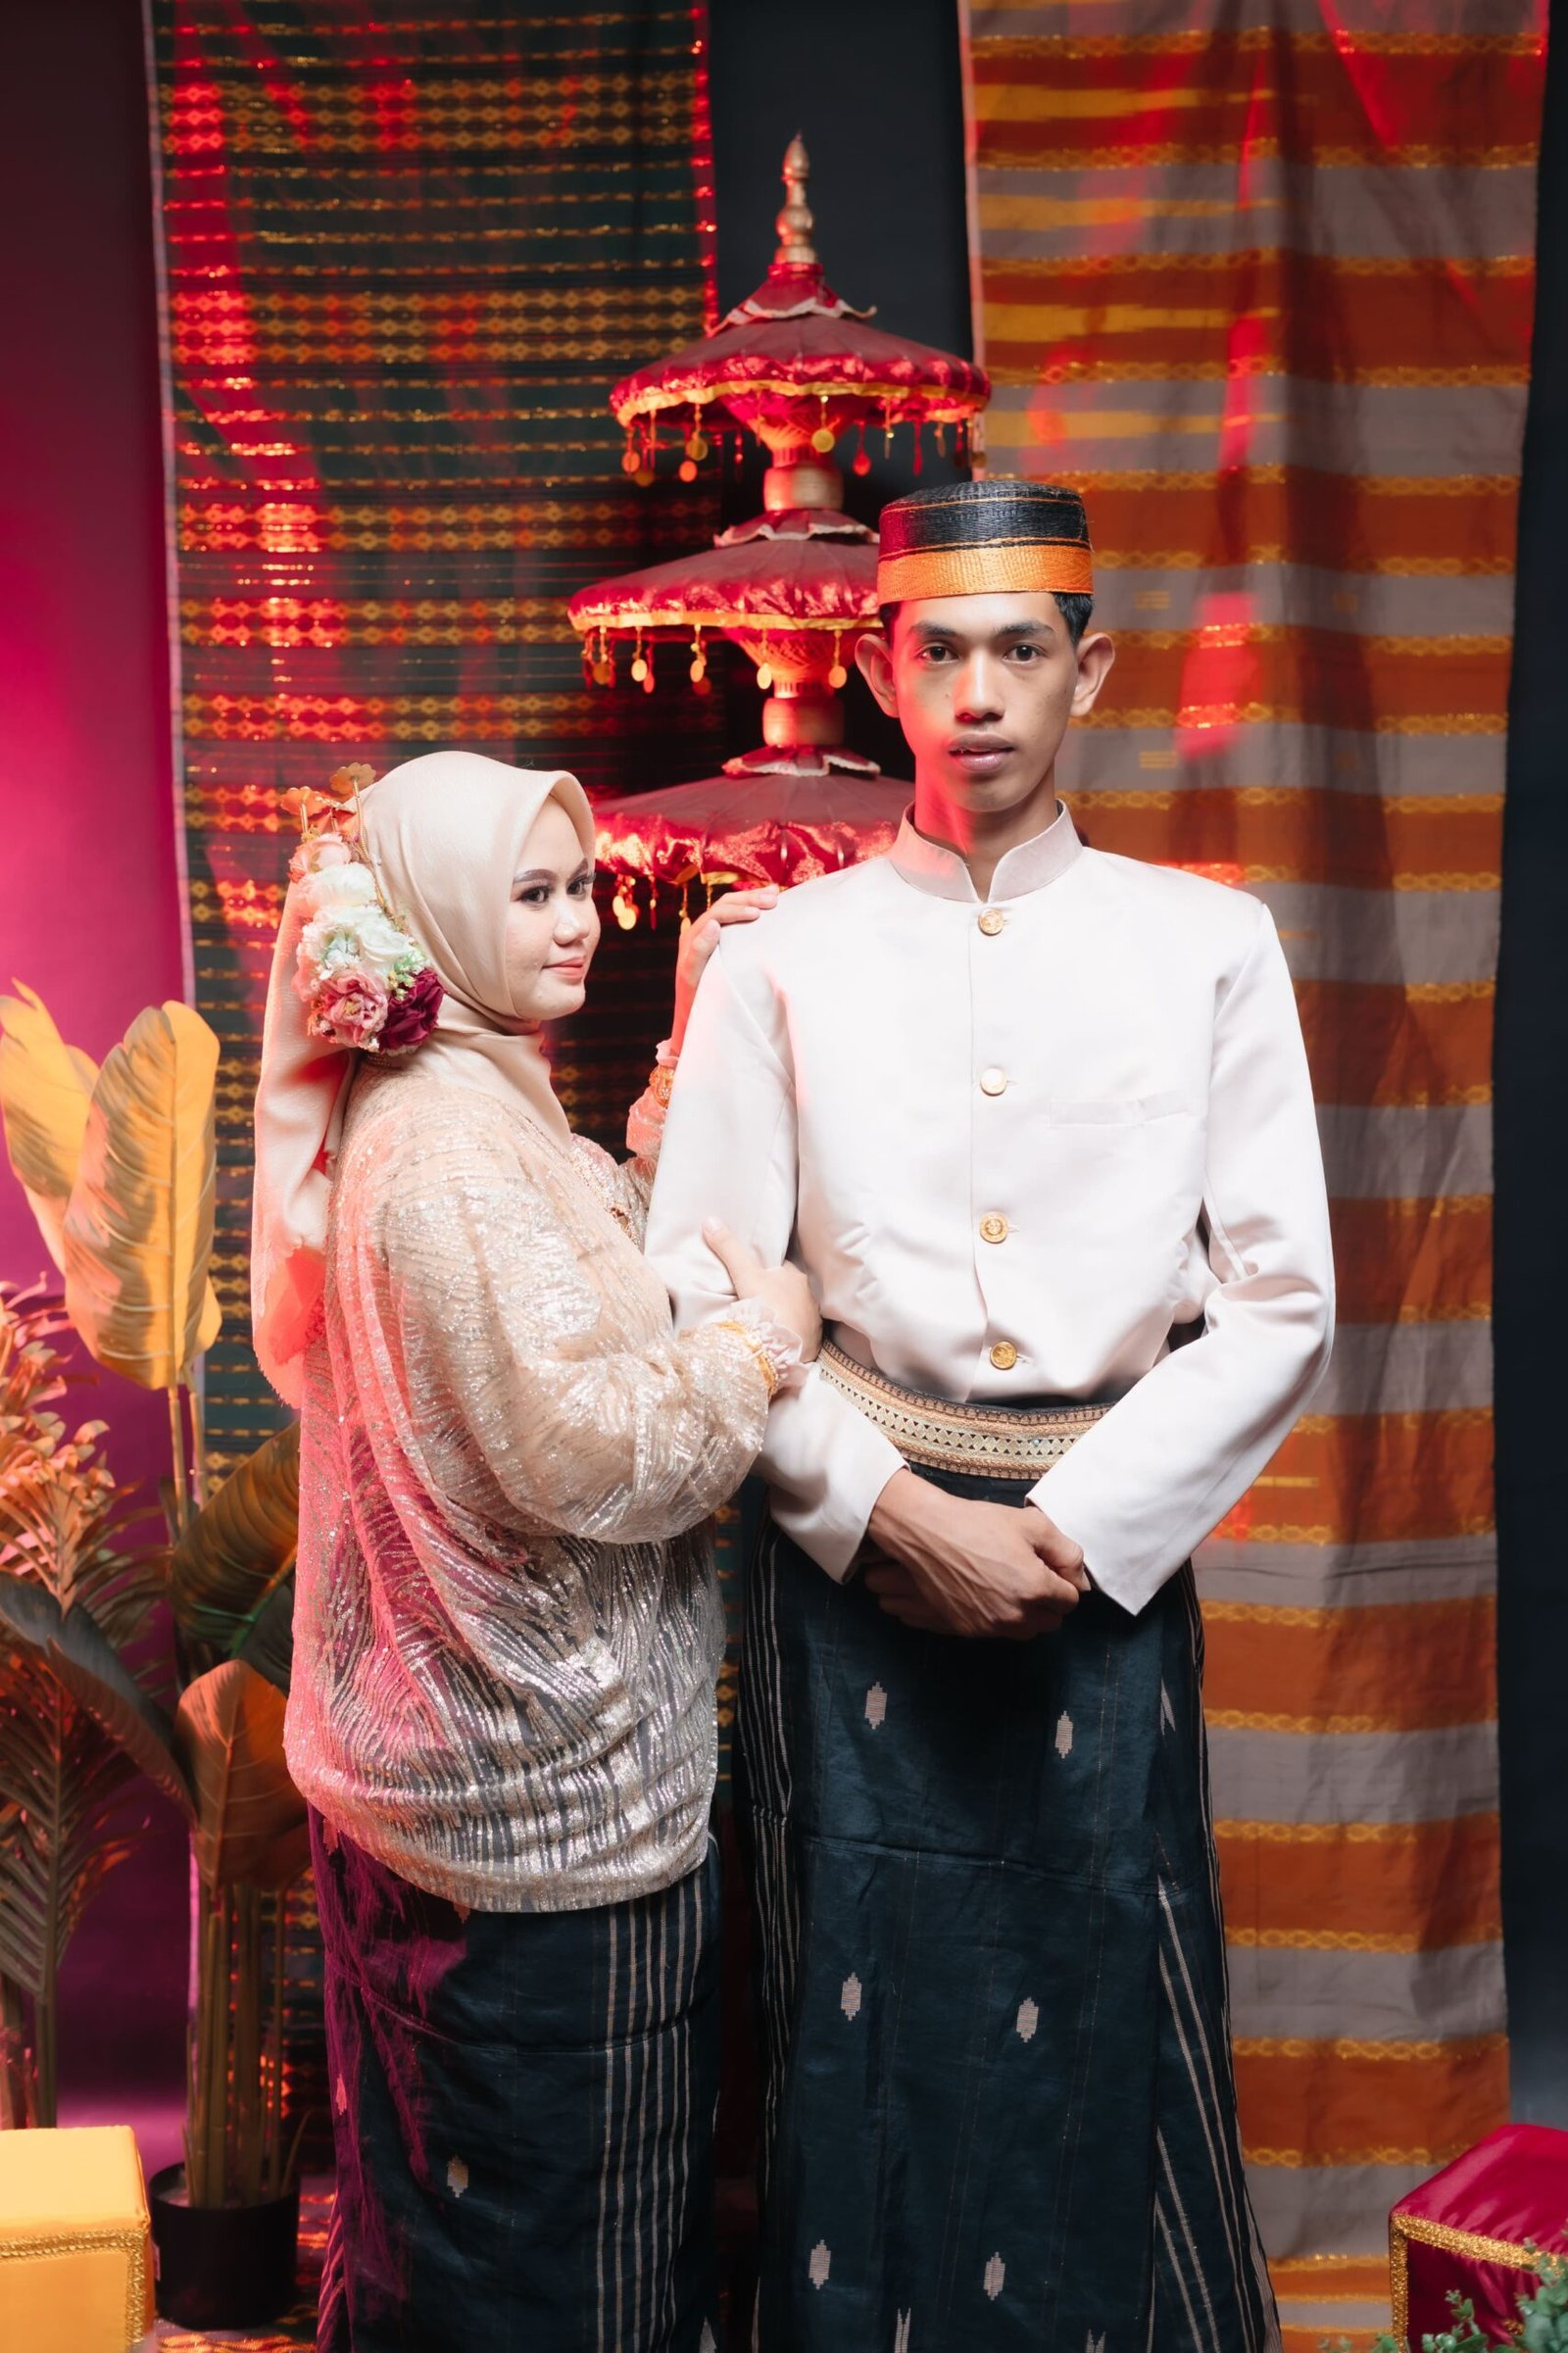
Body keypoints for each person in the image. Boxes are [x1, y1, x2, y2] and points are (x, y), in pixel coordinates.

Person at [645, 479, 1334, 2352]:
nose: (977, 693)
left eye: (1020, 648)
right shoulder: (778, 959)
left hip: (1098, 1572)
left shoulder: (1210, 945)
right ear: (880, 674)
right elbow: (698, 1287)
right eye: (937, 650)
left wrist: (1078, 1533)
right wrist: (886, 1513)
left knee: (1113, 2016)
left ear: (1088, 671)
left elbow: (1284, 1300)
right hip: (847, 1568)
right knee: (848, 2026)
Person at [249, 750, 817, 2353]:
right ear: (435, 911)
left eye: (580, 888)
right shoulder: (447, 1154)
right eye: (531, 893)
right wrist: (763, 1346)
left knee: (450, 2246)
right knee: (564, 2278)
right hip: (539, 1833)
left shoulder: (459, 1101)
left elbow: (585, 1256)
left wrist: (693, 1038)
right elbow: (589, 1443)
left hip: (455, 1803)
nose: (578, 923)